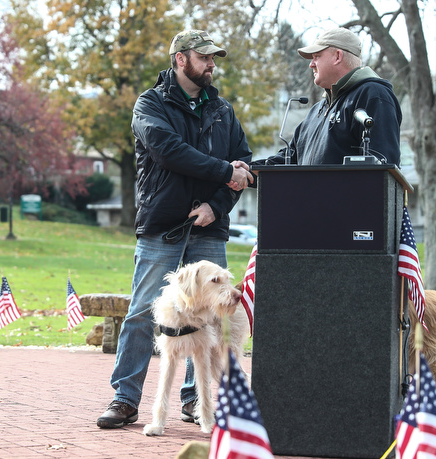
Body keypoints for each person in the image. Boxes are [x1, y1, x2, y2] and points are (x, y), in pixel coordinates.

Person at [96, 29, 253, 429]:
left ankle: (194, 402)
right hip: (162, 227)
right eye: (204, 58)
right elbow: (169, 152)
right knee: (141, 312)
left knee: (211, 318)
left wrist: (215, 208)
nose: (211, 65)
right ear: (181, 59)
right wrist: (224, 171)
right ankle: (125, 399)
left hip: (209, 229)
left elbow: (243, 167)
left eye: (213, 58)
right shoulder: (149, 105)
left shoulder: (223, 111)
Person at [249, 27, 402, 169]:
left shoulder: (373, 94)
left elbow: (383, 166)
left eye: (317, 56)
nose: (311, 64)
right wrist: (247, 171)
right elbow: (289, 159)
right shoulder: (317, 110)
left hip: (349, 199)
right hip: (311, 199)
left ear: (337, 56)